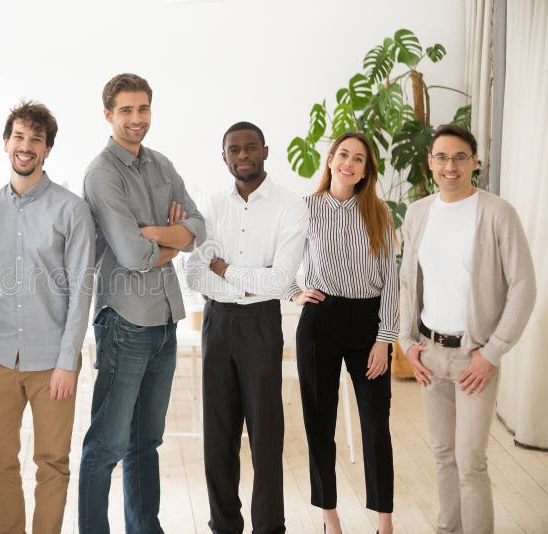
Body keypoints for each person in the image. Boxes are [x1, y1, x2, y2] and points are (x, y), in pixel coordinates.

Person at [78, 72, 206, 534]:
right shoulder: (101, 174)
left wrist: (152, 234)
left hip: (165, 320)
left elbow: (200, 227)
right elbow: (131, 256)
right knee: (107, 444)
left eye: (143, 109)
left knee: (145, 441)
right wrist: (168, 241)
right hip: (124, 321)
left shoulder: (162, 166)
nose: (136, 119)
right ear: (108, 114)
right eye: (126, 110)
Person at [400, 124, 536, 534]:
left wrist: (491, 353)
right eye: (441, 157)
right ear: (430, 163)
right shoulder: (420, 212)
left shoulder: (496, 212)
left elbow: (524, 287)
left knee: (470, 461)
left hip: (473, 357)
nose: (450, 166)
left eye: (460, 157)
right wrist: (407, 343)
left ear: (475, 162)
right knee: (443, 455)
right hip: (429, 353)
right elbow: (409, 280)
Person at [0, 100, 95, 534]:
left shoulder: (71, 209)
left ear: (47, 150)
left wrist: (66, 361)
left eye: (36, 140)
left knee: (52, 463)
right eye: (19, 137)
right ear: (6, 143)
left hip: (52, 362)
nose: (26, 146)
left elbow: (82, 290)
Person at [185, 121, 308, 534]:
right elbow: (194, 276)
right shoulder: (211, 204)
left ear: (265, 152)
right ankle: (224, 527)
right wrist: (241, 275)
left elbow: (280, 282)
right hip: (217, 322)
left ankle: (270, 528)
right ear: (224, 157)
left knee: (265, 437)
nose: (243, 156)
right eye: (234, 150)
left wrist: (224, 268)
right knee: (218, 437)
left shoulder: (290, 206)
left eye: (250, 148)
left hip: (260, 325)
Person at [287, 132, 397, 534]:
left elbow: (391, 280)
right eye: (343, 155)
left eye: (359, 160)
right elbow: (280, 261)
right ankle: (328, 515)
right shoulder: (305, 209)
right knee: (319, 420)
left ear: (367, 171)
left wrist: (385, 339)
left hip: (368, 325)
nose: (349, 163)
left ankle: (385, 519)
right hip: (320, 320)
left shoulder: (379, 212)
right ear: (331, 159)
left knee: (375, 422)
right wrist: (293, 292)